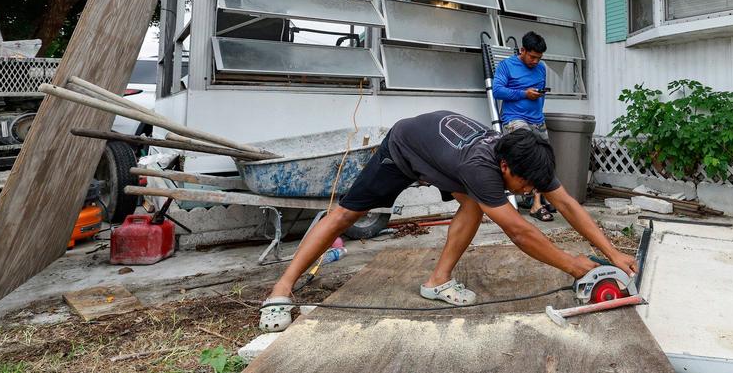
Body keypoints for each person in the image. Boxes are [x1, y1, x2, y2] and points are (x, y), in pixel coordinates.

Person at [259, 110, 637, 332]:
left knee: (473, 204)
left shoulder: (524, 158)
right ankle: (281, 288)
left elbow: (567, 204)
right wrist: (577, 267)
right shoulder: (483, 168)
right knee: (346, 214)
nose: (527, 191)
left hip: (444, 156)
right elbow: (521, 232)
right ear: (505, 166)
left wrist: (611, 254)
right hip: (405, 148)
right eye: (523, 184)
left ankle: (436, 281)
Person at [492, 31, 554, 221]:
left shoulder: (541, 68)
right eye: (532, 56)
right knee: (529, 156)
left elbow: (540, 96)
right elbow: (497, 90)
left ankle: (537, 201)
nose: (535, 61)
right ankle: (535, 205)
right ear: (523, 50)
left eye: (539, 58)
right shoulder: (506, 66)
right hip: (514, 119)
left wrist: (538, 112)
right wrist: (523, 94)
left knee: (544, 160)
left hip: (537, 118)